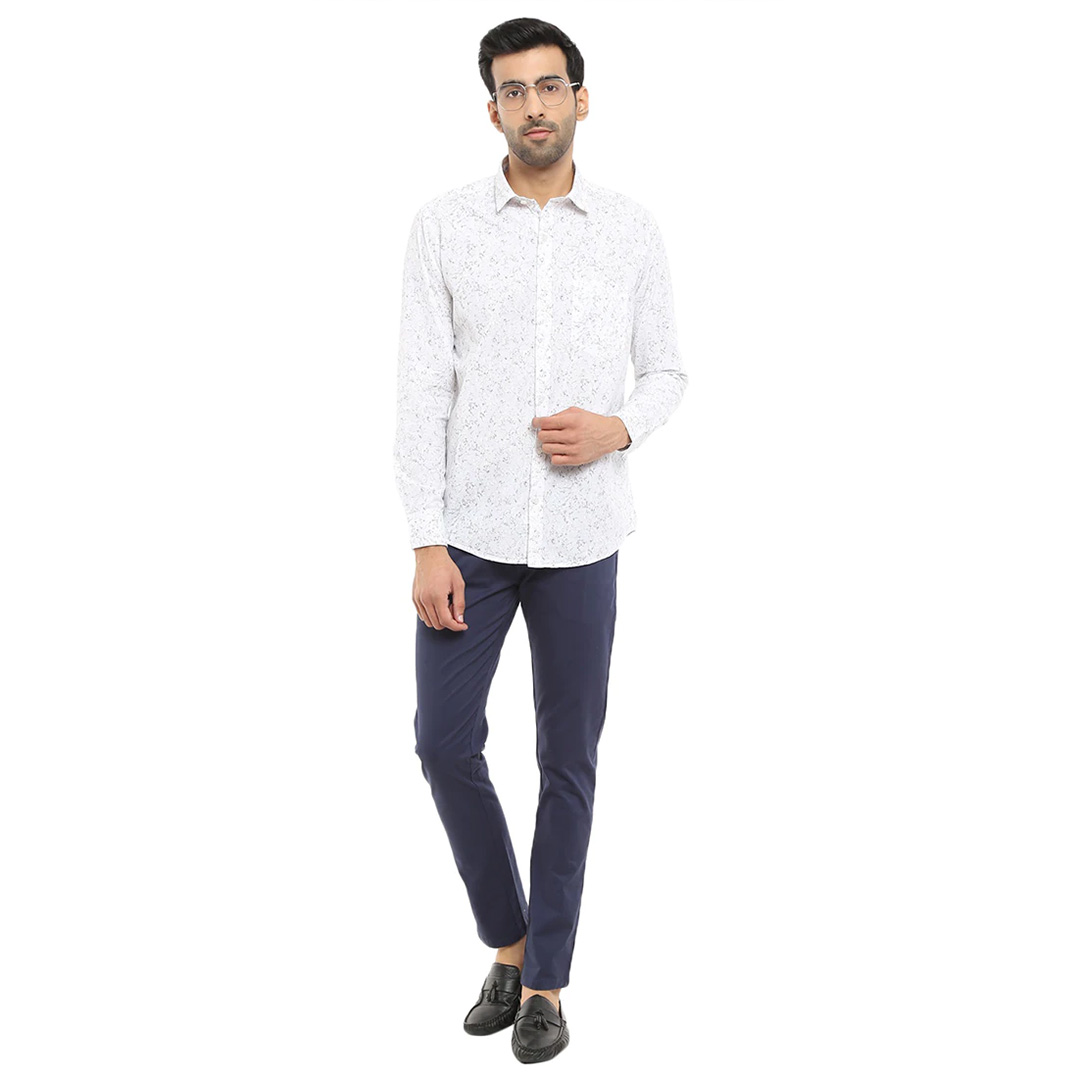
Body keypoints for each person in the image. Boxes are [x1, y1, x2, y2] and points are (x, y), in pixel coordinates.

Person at [392, 16, 688, 1064]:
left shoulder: (631, 229)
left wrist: (619, 428)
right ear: (493, 111)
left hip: (583, 535)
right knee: (442, 744)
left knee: (569, 760)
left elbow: (668, 370)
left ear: (580, 99)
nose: (533, 105)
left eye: (549, 86)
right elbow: (421, 391)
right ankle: (510, 943)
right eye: (513, 91)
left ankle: (546, 984)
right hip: (468, 539)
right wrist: (426, 540)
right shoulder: (442, 227)